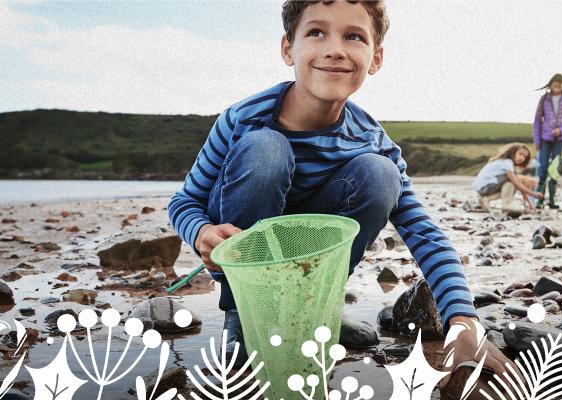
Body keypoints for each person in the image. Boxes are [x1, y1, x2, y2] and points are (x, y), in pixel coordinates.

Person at [167, 0, 514, 385]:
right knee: (266, 148)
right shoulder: (242, 118)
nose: (335, 48)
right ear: (288, 49)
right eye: (316, 32)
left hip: (311, 257)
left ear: (375, 58)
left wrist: (463, 323)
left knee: (380, 174)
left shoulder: (373, 141)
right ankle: (244, 321)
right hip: (246, 259)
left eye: (354, 36)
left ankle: (312, 306)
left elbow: (425, 235)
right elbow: (185, 201)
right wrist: (200, 231)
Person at [533, 73, 562, 209]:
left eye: (559, 85)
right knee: (543, 167)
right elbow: (537, 120)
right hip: (545, 138)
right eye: (554, 85)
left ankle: (552, 201)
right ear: (550, 85)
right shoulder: (544, 99)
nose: (556, 88)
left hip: (559, 139)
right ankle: (539, 200)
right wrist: (537, 140)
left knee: (555, 168)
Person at [473, 143, 543, 212]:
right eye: (520, 154)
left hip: (483, 188)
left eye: (525, 157)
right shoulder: (507, 163)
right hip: (485, 187)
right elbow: (516, 183)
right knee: (512, 182)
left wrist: (531, 204)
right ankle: (506, 205)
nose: (522, 158)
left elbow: (518, 183)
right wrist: (534, 194)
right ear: (513, 152)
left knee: (514, 183)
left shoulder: (505, 163)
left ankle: (486, 199)